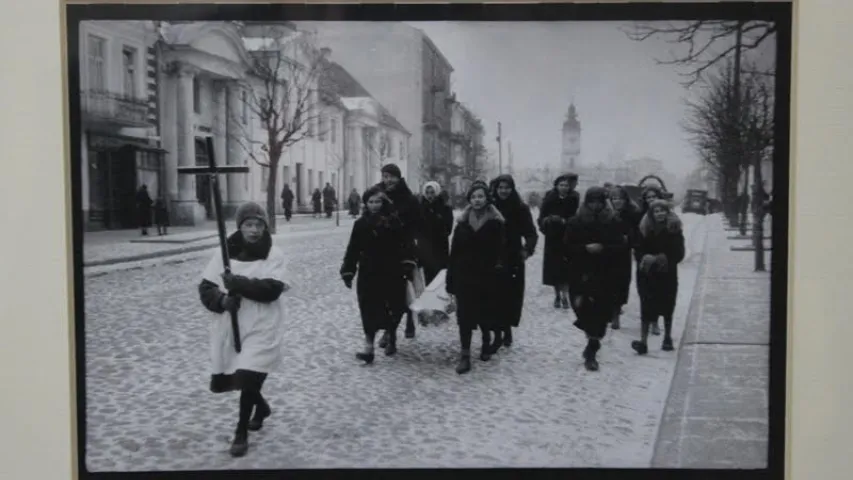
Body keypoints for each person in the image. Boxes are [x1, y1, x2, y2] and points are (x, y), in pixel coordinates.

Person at [197, 202, 290, 458]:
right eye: (248, 225)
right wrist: (222, 300)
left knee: (249, 375)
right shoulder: (225, 253)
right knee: (240, 374)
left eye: (258, 224)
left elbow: (272, 289)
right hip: (232, 323)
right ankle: (261, 408)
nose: (254, 230)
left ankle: (241, 432)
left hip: (263, 323)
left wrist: (239, 283)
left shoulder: (273, 253)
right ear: (240, 226)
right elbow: (206, 287)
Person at [340, 186, 416, 362]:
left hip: (392, 271)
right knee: (368, 309)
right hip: (368, 272)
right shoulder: (360, 224)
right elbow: (353, 249)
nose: (374, 205)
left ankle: (392, 336)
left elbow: (405, 244)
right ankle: (369, 347)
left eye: (378, 201)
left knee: (393, 307)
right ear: (365, 204)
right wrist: (348, 270)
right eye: (371, 202)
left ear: (384, 202)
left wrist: (407, 263)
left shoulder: (394, 222)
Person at [446, 180, 506, 374]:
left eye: (480, 196)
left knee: (486, 312)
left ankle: (486, 342)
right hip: (465, 275)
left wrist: (499, 271)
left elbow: (501, 252)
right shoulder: (462, 224)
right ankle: (465, 355)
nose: (477, 200)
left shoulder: (496, 223)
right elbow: (454, 252)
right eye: (473, 197)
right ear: (469, 200)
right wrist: (451, 279)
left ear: (487, 198)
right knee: (464, 315)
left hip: (488, 276)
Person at [563, 187, 625, 371]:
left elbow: (620, 246)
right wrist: (584, 248)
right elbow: (567, 246)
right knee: (580, 307)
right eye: (592, 201)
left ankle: (591, 350)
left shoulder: (613, 221)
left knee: (600, 314)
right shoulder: (576, 222)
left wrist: (603, 248)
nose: (596, 205)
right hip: (580, 273)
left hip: (605, 273)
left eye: (599, 201)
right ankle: (592, 339)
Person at [372, 163, 423, 345]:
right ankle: (389, 329)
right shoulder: (377, 195)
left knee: (402, 291)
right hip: (383, 251)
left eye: (391, 176)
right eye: (385, 176)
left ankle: (403, 324)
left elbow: (417, 226)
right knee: (385, 294)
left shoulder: (408, 198)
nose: (388, 180)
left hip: (403, 251)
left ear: (398, 177)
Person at [489, 174, 538, 349]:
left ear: (512, 189)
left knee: (510, 296)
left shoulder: (520, 208)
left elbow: (531, 233)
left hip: (512, 257)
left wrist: (527, 250)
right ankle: (496, 334)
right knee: (492, 297)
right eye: (500, 187)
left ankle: (507, 329)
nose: (503, 191)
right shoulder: (489, 206)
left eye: (507, 188)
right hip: (491, 257)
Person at [632, 199, 685, 355]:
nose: (660, 213)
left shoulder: (674, 230)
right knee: (646, 305)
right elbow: (638, 249)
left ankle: (667, 337)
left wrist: (662, 258)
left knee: (667, 305)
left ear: (668, 213)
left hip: (666, 274)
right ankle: (643, 341)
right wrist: (645, 258)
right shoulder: (644, 229)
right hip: (647, 274)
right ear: (651, 214)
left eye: (663, 210)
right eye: (656, 211)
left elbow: (679, 253)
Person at [537, 173, 580, 309]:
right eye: (561, 185)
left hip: (568, 237)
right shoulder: (549, 198)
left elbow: (576, 218)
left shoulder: (574, 198)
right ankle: (557, 295)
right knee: (554, 269)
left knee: (566, 269)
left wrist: (564, 221)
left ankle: (565, 296)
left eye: (566, 185)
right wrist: (548, 223)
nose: (563, 187)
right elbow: (541, 218)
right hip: (553, 238)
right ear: (556, 186)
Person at [608, 185, 642, 329]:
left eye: (619, 198)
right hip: (607, 252)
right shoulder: (606, 213)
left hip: (623, 253)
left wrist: (628, 238)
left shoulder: (633, 213)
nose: (617, 201)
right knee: (607, 283)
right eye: (614, 198)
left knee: (621, 282)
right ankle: (612, 312)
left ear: (625, 199)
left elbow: (638, 231)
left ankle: (617, 310)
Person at [636, 186, 665, 335]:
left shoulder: (666, 215)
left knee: (658, 293)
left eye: (654, 196)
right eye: (648, 197)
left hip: (661, 261)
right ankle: (646, 322)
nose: (651, 199)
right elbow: (636, 238)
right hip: (643, 261)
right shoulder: (639, 215)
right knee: (645, 293)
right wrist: (641, 256)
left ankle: (655, 322)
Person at [418, 181, 454, 286]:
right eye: (427, 192)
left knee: (440, 278)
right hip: (425, 249)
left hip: (440, 248)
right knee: (428, 279)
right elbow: (418, 228)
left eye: (432, 192)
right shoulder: (420, 208)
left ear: (437, 192)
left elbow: (448, 228)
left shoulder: (445, 208)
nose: (430, 195)